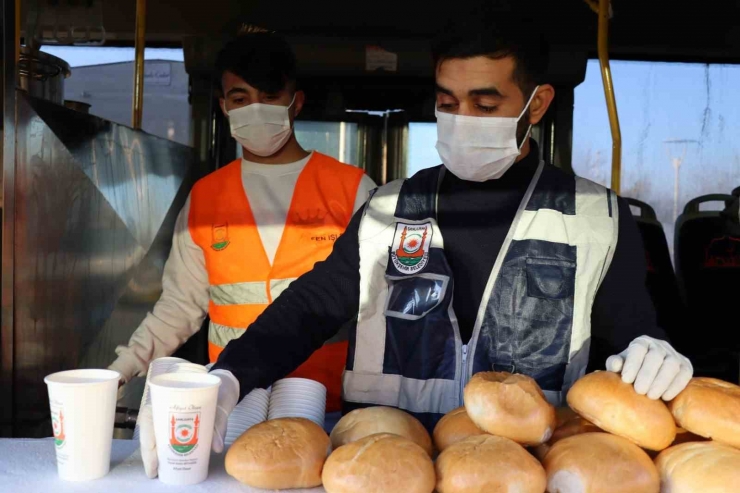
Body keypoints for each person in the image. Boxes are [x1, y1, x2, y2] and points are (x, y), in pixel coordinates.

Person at [209, 15, 694, 432]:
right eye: (447, 103)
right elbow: (312, 304)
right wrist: (230, 375)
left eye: (485, 106)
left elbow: (630, 331)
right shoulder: (390, 207)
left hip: (525, 467)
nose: (463, 119)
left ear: (537, 105)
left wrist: (651, 353)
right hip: (387, 461)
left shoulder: (595, 218)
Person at [111, 29, 376, 477]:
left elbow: (381, 310)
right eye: (240, 97)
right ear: (223, 106)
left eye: (269, 95)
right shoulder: (205, 198)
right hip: (231, 406)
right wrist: (121, 370)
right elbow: (180, 306)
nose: (254, 108)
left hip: (332, 410)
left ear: (296, 102)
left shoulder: (352, 189)